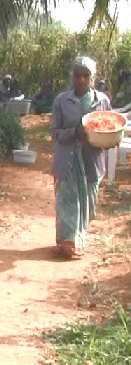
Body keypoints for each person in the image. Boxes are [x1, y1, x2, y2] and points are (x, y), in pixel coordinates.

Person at [50, 56, 112, 259]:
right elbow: (55, 132)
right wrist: (74, 133)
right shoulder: (62, 101)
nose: (81, 80)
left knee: (88, 203)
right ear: (73, 76)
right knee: (67, 201)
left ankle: (78, 238)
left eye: (86, 76)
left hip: (91, 160)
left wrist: (109, 139)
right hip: (67, 159)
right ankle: (67, 242)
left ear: (92, 77)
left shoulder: (101, 101)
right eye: (78, 75)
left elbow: (108, 126)